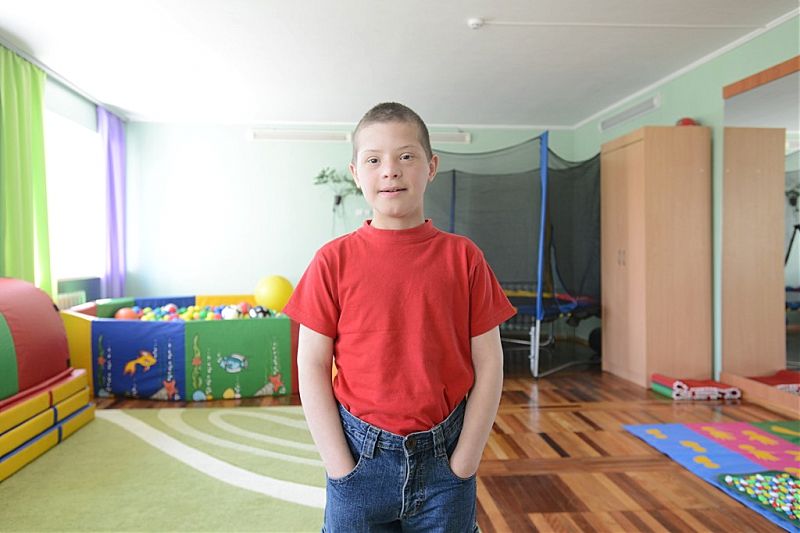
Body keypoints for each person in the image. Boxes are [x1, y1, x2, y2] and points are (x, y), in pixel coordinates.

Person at [283, 102, 515, 532]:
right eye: (374, 160)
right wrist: (339, 466)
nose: (390, 170)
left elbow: (490, 363)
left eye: (406, 156)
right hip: (358, 460)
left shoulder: (464, 258)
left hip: (446, 462)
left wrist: (465, 462)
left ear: (431, 167)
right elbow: (311, 364)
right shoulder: (332, 261)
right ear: (356, 173)